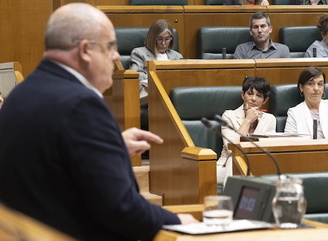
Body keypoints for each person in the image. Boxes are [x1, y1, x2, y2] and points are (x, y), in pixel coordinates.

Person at [0, 3, 197, 241]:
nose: (115, 56)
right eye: (111, 47)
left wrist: (109, 147)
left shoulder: (21, 93)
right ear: (85, 50)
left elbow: (50, 161)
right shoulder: (82, 104)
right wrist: (177, 221)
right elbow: (121, 209)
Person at [217, 77, 276, 186]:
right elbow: (232, 147)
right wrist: (248, 120)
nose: (253, 99)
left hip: (257, 165)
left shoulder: (270, 119)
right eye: (250, 94)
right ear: (242, 95)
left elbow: (268, 149)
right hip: (226, 166)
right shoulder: (229, 116)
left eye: (259, 95)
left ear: (265, 100)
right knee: (235, 158)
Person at [130, 19, 183, 105]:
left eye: (167, 39)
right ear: (152, 38)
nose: (163, 43)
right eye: (159, 39)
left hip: (171, 93)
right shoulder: (139, 53)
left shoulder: (177, 56)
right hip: (148, 93)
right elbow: (136, 75)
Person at [285, 66, 328, 139]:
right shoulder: (294, 113)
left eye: (320, 84)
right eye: (311, 84)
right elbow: (290, 141)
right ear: (301, 87)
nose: (316, 89)